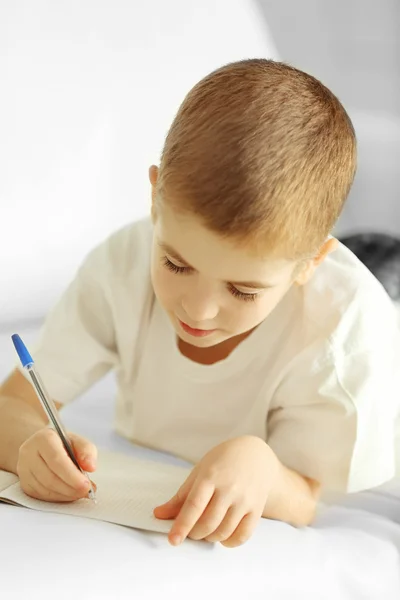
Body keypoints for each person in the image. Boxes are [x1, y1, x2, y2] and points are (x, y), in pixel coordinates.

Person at [0, 59, 399, 549]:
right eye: (176, 265)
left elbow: (305, 497)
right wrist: (26, 445)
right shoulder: (122, 263)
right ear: (154, 199)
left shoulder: (342, 338)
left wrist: (259, 462)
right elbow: (13, 403)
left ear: (310, 262)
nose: (198, 310)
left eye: (242, 291)